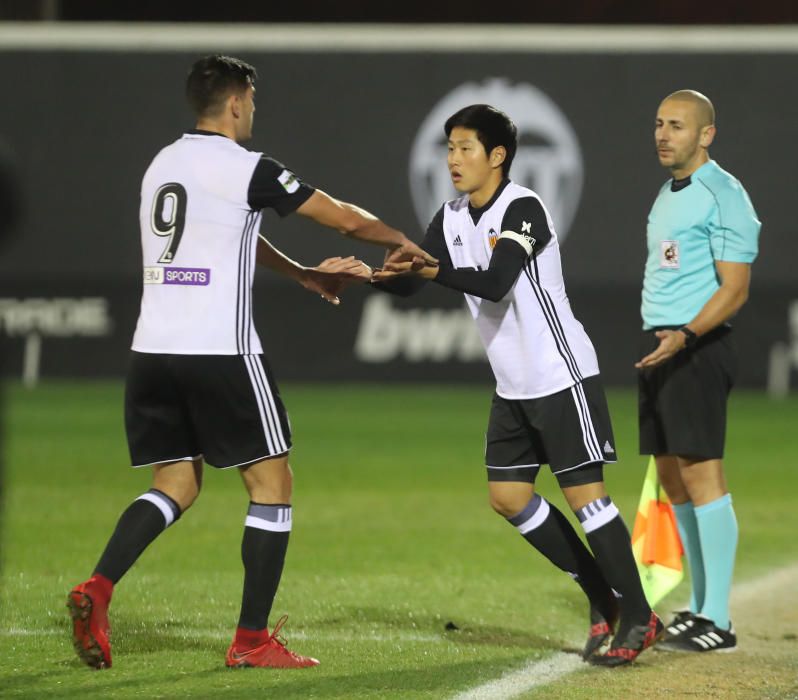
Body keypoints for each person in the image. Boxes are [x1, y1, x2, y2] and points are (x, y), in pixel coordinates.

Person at [66, 54, 436, 671]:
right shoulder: (246, 168)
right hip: (221, 351)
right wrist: (405, 245)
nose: (254, 111)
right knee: (273, 485)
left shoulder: (162, 164)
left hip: (152, 350)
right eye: (253, 101)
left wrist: (299, 274)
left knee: (174, 485)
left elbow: (226, 232)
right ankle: (252, 638)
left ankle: (98, 588)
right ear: (237, 102)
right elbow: (343, 220)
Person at [373, 104, 661, 666]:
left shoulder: (522, 207)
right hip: (513, 386)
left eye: (465, 148)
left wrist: (428, 269)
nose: (453, 159)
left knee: (589, 502)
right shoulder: (452, 214)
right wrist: (368, 276)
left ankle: (641, 615)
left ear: (497, 156)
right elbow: (413, 283)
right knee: (508, 499)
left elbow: (498, 281)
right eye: (449, 148)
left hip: (561, 375)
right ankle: (599, 596)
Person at [636, 90, 760, 652]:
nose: (664, 134)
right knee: (671, 474)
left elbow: (734, 289)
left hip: (698, 347)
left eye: (677, 126)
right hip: (663, 344)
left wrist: (686, 335)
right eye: (660, 124)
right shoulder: (667, 193)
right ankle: (699, 605)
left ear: (706, 134)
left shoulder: (725, 193)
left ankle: (719, 618)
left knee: (703, 475)